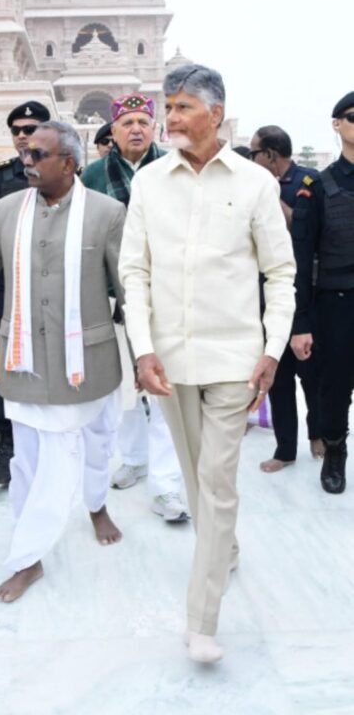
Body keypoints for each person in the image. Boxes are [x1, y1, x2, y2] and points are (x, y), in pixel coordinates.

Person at [119, 64, 295, 664]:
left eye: (182, 107)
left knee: (216, 484)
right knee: (197, 481)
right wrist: (142, 348)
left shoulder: (255, 184)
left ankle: (201, 622)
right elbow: (134, 272)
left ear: (215, 113)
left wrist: (272, 349)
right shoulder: (150, 184)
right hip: (169, 362)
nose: (169, 118)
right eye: (167, 106)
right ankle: (227, 549)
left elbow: (280, 273)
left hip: (234, 362)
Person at [0, 121, 125, 602]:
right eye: (25, 153)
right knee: (32, 462)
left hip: (86, 362)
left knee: (96, 447)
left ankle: (96, 505)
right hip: (24, 361)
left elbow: (128, 284)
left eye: (37, 155)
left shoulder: (107, 213)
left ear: (69, 163)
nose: (26, 161)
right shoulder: (8, 208)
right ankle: (28, 558)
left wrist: (152, 350)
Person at [83, 93, 188, 523]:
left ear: (155, 128)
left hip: (167, 292)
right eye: (127, 123)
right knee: (125, 387)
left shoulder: (175, 167)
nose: (136, 129)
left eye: (143, 121)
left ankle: (166, 486)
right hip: (114, 294)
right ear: (113, 131)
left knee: (166, 388)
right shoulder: (92, 175)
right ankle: (134, 458)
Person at [0, 100, 51, 486]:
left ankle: (50, 449)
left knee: (52, 365)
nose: (22, 135)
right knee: (8, 369)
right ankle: (6, 451)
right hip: (9, 290)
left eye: (30, 128)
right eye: (16, 130)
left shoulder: (66, 172)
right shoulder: (0, 178)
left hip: (54, 289)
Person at [290, 91, 354, 494]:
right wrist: (301, 321)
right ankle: (334, 449)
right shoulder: (318, 186)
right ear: (337, 124)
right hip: (337, 304)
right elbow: (300, 259)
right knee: (335, 385)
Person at [249, 125, 322, 472]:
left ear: (270, 155)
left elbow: (302, 232)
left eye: (254, 153)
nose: (251, 160)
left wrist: (271, 194)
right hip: (269, 298)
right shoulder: (252, 186)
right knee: (277, 380)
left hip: (304, 296)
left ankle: (318, 435)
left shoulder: (307, 183)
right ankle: (285, 450)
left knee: (312, 377)